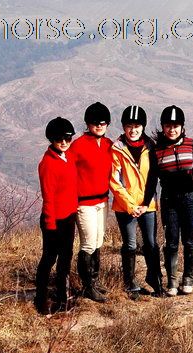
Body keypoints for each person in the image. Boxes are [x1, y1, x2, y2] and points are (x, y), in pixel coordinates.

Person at [143, 105, 193, 296]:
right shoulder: (157, 149)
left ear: (182, 127)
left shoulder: (191, 144)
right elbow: (152, 177)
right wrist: (146, 201)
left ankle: (189, 277)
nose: (172, 129)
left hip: (190, 198)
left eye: (176, 125)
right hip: (169, 199)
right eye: (168, 125)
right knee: (171, 241)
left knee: (189, 240)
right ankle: (172, 282)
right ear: (162, 126)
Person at [109, 105, 163, 298]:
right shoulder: (117, 149)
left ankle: (155, 281)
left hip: (147, 205)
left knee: (151, 243)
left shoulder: (151, 147)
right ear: (124, 127)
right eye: (129, 125)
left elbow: (153, 178)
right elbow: (114, 181)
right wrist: (131, 206)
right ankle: (130, 284)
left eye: (137, 125)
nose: (133, 129)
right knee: (130, 245)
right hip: (125, 208)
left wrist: (144, 204)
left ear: (143, 126)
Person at [68, 102, 113, 303]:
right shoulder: (77, 145)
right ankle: (87, 287)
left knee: (98, 241)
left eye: (103, 123)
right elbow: (67, 172)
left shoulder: (108, 144)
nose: (100, 125)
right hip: (84, 203)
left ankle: (94, 281)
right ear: (88, 124)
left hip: (103, 200)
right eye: (95, 123)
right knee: (87, 243)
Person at [35, 117, 77, 315]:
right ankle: (41, 299)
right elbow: (48, 197)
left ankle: (63, 297)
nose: (64, 142)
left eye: (67, 138)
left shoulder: (68, 157)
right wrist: (50, 225)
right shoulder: (48, 164)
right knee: (49, 259)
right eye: (59, 138)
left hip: (69, 217)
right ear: (51, 139)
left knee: (65, 259)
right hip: (54, 220)